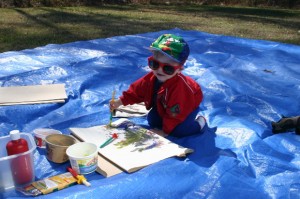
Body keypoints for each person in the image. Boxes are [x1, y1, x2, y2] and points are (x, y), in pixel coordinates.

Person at [110, 34, 206, 137]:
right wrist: (119, 102)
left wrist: (165, 132)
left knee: (178, 131)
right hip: (164, 105)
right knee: (152, 120)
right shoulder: (150, 79)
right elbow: (135, 92)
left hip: (185, 107)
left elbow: (176, 115)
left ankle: (200, 122)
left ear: (179, 69)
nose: (159, 70)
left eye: (168, 68)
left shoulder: (179, 89)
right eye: (154, 64)